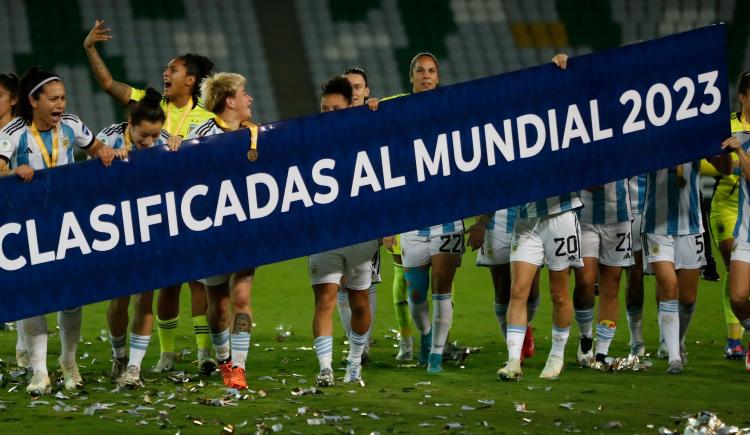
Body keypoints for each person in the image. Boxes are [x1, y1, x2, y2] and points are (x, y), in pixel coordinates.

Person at [84, 19, 216, 372]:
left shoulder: (205, 117)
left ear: (190, 79)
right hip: (143, 209)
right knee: (162, 287)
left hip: (187, 206)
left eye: (172, 69)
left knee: (198, 281)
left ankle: (204, 353)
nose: (165, 72)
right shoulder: (149, 101)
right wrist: (90, 49)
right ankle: (165, 354)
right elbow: (110, 85)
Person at [0, 67, 119, 395]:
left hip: (68, 223)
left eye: (63, 98)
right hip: (28, 225)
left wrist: (106, 152)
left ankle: (69, 362)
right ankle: (39, 372)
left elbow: (97, 150)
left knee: (70, 300)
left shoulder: (72, 125)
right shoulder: (13, 131)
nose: (60, 104)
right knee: (33, 299)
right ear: (33, 101)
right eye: (53, 99)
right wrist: (12, 170)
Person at [179, 72, 258, 389]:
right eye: (244, 93)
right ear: (230, 100)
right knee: (218, 307)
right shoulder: (201, 135)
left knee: (241, 297)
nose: (249, 98)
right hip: (210, 234)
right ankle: (224, 359)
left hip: (245, 230)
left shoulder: (255, 134)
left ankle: (237, 369)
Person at [310, 76, 379, 386]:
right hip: (324, 232)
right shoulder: (308, 138)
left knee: (360, 302)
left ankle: (354, 361)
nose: (327, 114)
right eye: (324, 108)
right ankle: (325, 367)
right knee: (325, 299)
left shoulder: (367, 134)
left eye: (334, 108)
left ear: (351, 106)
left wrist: (379, 112)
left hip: (360, 232)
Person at [100, 88, 170, 387]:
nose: (150, 142)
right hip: (116, 229)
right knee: (120, 301)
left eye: (156, 136)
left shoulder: (164, 144)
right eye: (144, 135)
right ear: (130, 122)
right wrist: (108, 159)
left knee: (146, 298)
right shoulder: (108, 138)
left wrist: (178, 152)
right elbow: (81, 176)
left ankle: (133, 368)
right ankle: (119, 355)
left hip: (151, 226)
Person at [335, 68, 380, 363]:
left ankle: (361, 347)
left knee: (366, 282)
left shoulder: (374, 121)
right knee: (338, 281)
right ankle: (357, 346)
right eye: (348, 86)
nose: (353, 91)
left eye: (358, 86)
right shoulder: (328, 121)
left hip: (367, 211)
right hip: (336, 211)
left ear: (366, 92)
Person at [573, 181, 633, 366]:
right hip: (584, 217)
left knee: (611, 285)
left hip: (618, 215)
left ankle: (602, 353)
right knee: (585, 281)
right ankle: (586, 337)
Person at [467, 209, 539, 362]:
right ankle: (514, 349)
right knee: (502, 289)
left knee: (531, 291)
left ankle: (524, 325)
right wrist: (481, 223)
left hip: (531, 218)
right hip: (496, 223)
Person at [0, 72, 30, 369]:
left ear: (13, 100)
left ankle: (23, 349)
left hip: (18, 213)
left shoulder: (20, 130)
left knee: (20, 279)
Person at [719, 130, 750, 372]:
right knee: (738, 297)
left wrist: (740, 150)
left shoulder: (743, 144)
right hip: (746, 234)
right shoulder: (742, 136)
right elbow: (727, 170)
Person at [626, 174, 648, 357]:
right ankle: (636, 337)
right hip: (622, 209)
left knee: (664, 274)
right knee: (632, 272)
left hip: (650, 207)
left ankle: (669, 339)